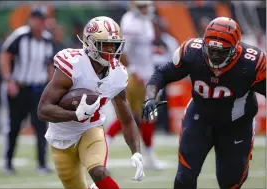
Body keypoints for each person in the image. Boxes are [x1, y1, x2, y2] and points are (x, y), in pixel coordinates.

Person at [141, 17, 266, 189]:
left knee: (230, 182)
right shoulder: (192, 51)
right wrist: (150, 97)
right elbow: (162, 74)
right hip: (200, 118)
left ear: (235, 49)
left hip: (236, 126)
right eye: (211, 50)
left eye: (221, 52)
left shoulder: (252, 63)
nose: (214, 56)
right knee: (185, 178)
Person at [37, 16, 145, 189]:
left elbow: (126, 119)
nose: (111, 49)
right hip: (61, 137)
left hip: (91, 129)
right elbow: (43, 110)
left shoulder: (118, 74)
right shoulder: (72, 65)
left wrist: (136, 152)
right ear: (90, 43)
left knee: (99, 171)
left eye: (114, 44)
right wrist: (75, 114)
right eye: (105, 44)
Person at [105, 0, 165, 170]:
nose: (146, 9)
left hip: (146, 75)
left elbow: (141, 49)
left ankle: (150, 156)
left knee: (146, 116)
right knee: (132, 116)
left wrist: (153, 52)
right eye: (142, 6)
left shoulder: (145, 22)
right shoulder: (130, 21)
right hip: (136, 76)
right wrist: (133, 70)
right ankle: (105, 146)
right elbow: (122, 51)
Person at [0, 6, 54, 174]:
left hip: (38, 90)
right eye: (38, 19)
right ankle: (8, 163)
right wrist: (9, 80)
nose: (40, 23)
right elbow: (4, 56)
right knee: (14, 126)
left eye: (43, 19)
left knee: (40, 127)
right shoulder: (20, 36)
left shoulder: (47, 39)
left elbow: (50, 64)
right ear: (31, 19)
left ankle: (42, 164)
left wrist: (51, 87)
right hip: (19, 87)